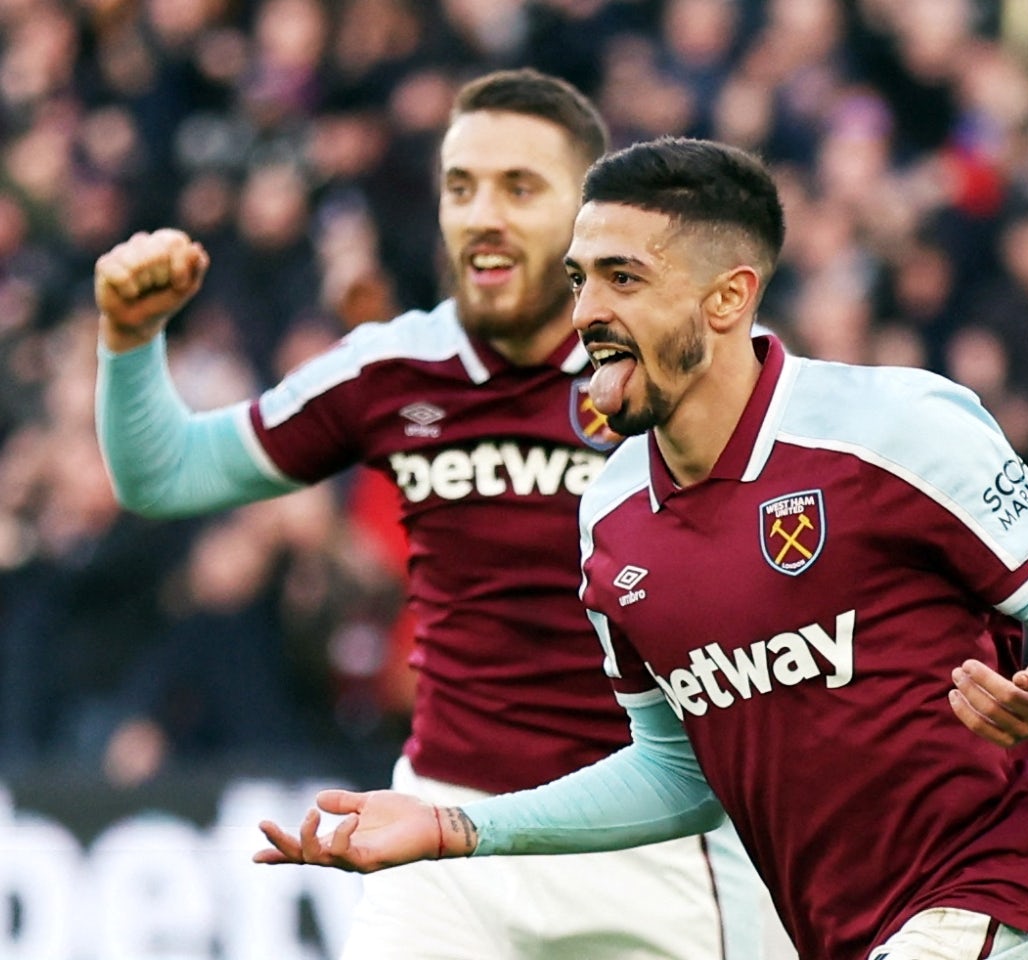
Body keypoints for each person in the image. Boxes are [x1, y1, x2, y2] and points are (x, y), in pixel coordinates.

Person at [254, 137, 1028, 960]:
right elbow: (679, 770)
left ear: (728, 297)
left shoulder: (893, 427)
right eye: (578, 281)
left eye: (623, 280)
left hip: (998, 894)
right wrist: (455, 827)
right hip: (849, 932)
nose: (587, 314)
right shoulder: (611, 515)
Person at [93, 73, 782, 960]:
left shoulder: (688, 368)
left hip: (654, 835)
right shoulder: (393, 368)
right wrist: (128, 340)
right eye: (462, 187)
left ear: (587, 220)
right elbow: (168, 476)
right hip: (441, 826)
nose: (482, 215)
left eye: (519, 188)